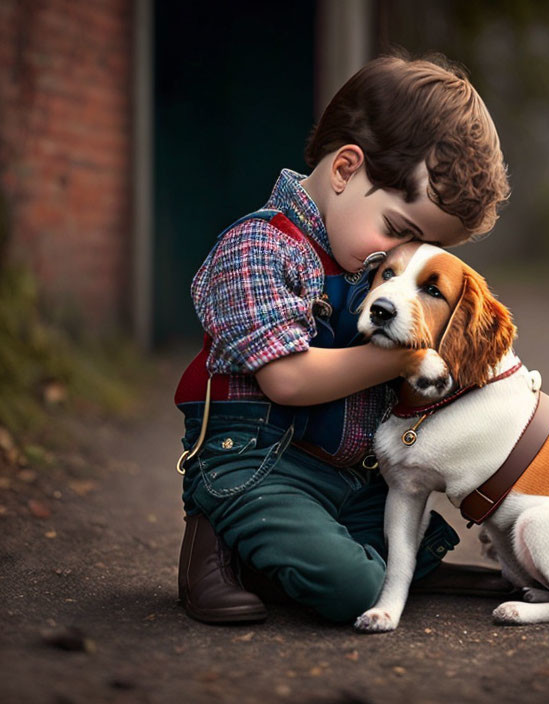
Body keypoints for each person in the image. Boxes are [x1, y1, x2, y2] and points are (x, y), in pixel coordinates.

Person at [174, 53, 512, 624]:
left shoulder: (364, 264)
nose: (398, 260)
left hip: (345, 475)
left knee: (417, 545)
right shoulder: (260, 249)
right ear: (344, 170)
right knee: (359, 586)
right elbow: (286, 379)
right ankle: (219, 536)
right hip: (257, 465)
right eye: (400, 232)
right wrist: (407, 359)